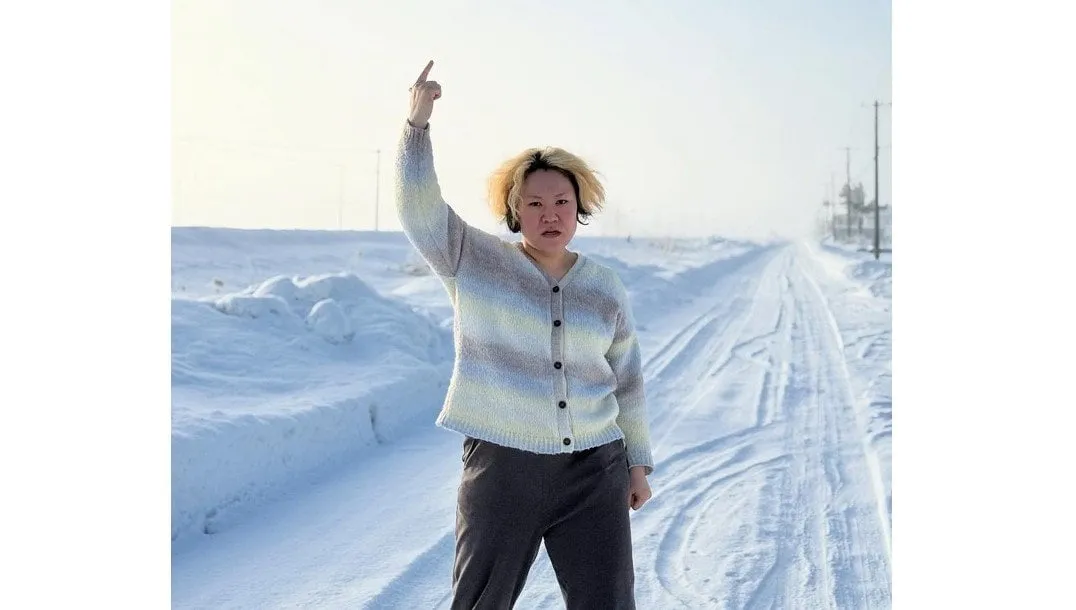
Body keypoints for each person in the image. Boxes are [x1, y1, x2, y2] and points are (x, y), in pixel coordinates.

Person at [394, 60, 654, 610]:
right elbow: (419, 210)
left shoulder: (603, 286)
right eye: (534, 202)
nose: (550, 214)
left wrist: (636, 461)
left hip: (594, 468)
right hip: (503, 469)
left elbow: (626, 381)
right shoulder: (473, 261)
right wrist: (417, 126)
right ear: (514, 210)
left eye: (562, 202)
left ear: (579, 207)